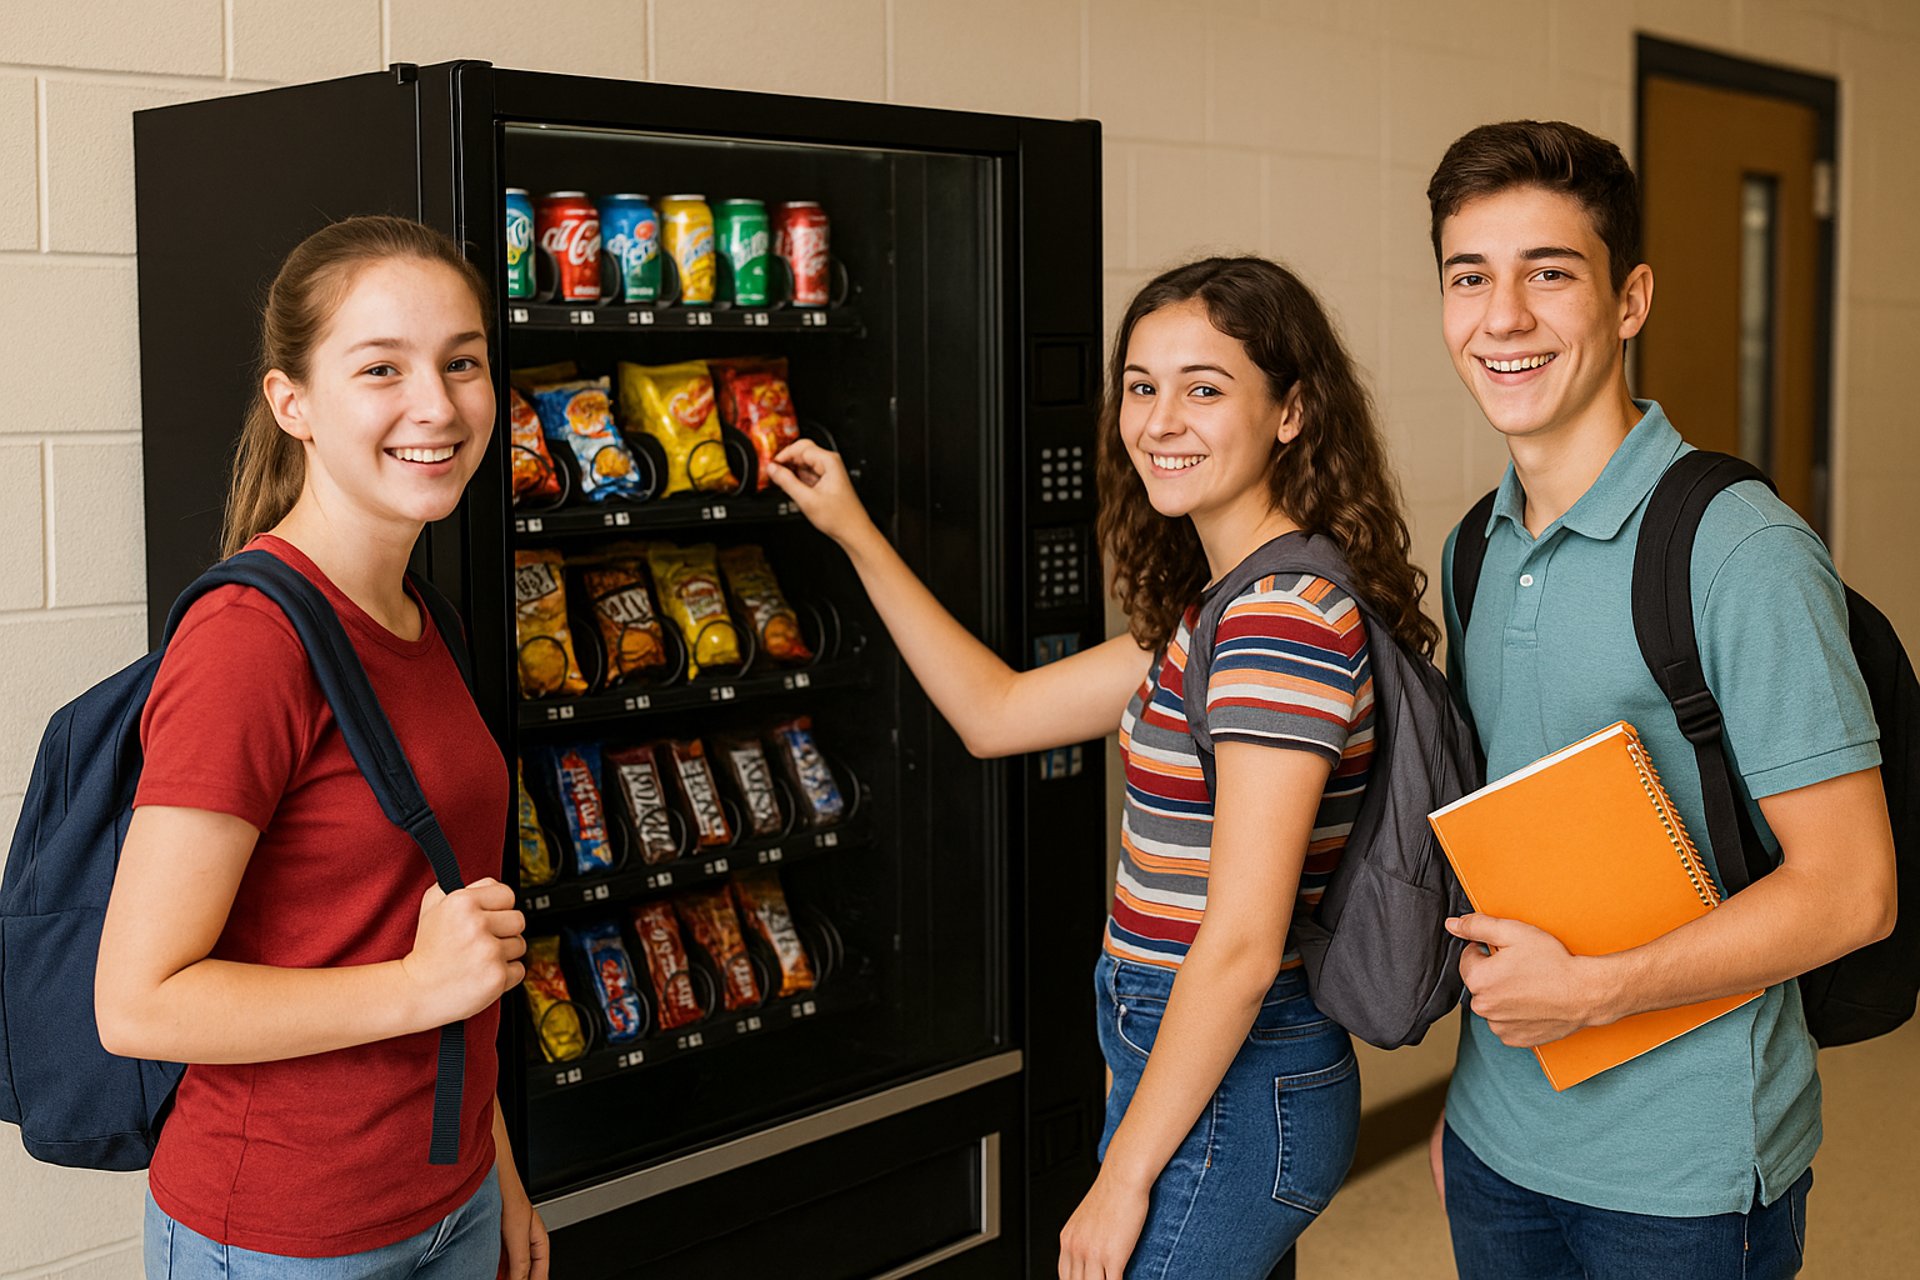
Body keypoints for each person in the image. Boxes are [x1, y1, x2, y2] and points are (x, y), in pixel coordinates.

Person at [767, 256, 1435, 1280]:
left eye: (1204, 388)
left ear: (1292, 410)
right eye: (1141, 385)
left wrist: (1121, 1174)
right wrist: (854, 530)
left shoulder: (1273, 625)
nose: (1160, 419)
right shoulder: (1228, 606)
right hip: (1200, 1060)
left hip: (1234, 1074)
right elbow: (997, 712)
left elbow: (1246, 941)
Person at [1425, 120, 1897, 1279]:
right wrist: (1467, 1109)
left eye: (1551, 272)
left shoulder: (1740, 552)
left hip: (1685, 1183)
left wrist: (1592, 992)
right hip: (1498, 1141)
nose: (1505, 316)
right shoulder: (1474, 549)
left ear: (1630, 299)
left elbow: (1852, 891)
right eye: (1470, 275)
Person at [94, 216, 547, 1279]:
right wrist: (414, 986)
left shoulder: (421, 618)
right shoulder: (250, 643)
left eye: (462, 362)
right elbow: (137, 1001)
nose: (436, 405)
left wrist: (499, 1173)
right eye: (381, 367)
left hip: (450, 1201)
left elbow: (445, 931)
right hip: (285, 1237)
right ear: (291, 401)